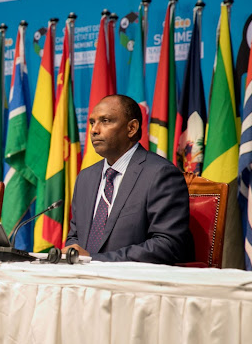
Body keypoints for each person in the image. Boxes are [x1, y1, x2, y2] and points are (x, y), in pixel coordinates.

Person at [63, 94, 194, 263]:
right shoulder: (85, 178)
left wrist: (96, 260)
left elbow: (167, 245)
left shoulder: (160, 174)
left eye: (105, 121)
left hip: (134, 284)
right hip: (84, 283)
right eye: (92, 122)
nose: (94, 130)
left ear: (131, 128)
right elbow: (75, 237)